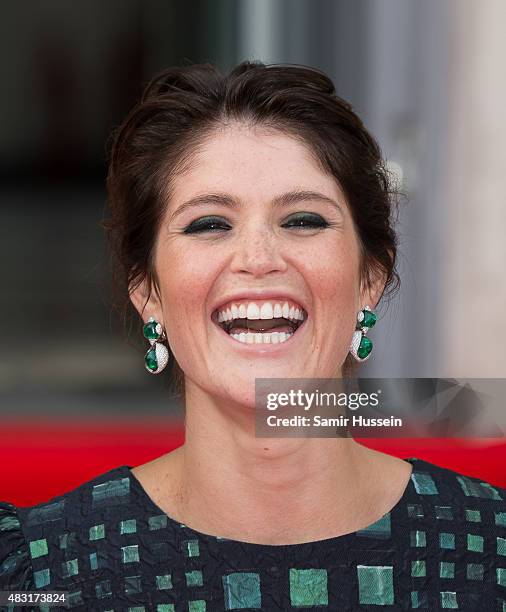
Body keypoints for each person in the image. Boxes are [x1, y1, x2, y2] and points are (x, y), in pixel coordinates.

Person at [1, 60, 505, 611]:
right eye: (210, 224)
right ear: (148, 292)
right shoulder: (42, 571)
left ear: (370, 278)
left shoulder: (490, 550)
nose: (259, 259)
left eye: (304, 220)